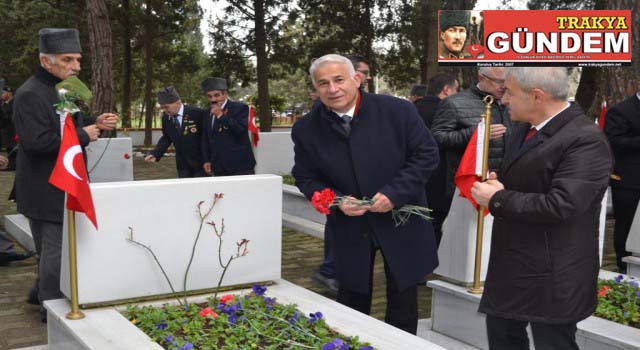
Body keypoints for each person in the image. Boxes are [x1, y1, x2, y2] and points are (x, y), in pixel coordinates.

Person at [292, 54, 439, 334]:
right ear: (314, 88)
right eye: (323, 83)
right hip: (350, 226)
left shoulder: (398, 111)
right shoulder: (306, 128)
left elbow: (426, 154)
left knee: (403, 294)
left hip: (401, 219)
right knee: (352, 294)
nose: (332, 89)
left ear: (356, 79)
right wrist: (336, 200)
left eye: (339, 79)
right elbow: (305, 176)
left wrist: (395, 193)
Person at [471, 67, 612, 350]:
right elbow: (530, 179)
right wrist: (500, 183)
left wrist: (498, 198)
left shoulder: (585, 140)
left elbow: (564, 205)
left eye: (509, 92)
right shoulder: (524, 128)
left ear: (537, 96)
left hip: (553, 271)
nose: (503, 99)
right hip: (514, 264)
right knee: (503, 337)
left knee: (552, 344)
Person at [13, 28, 118, 319]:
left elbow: (68, 129)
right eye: (68, 59)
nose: (77, 66)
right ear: (46, 62)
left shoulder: (63, 89)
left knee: (55, 250)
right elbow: (36, 144)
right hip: (45, 186)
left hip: (66, 182)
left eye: (79, 59)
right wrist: (85, 135)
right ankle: (52, 311)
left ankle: (42, 294)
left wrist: (94, 123)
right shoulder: (29, 94)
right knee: (55, 252)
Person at [431, 67, 511, 214]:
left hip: (505, 185)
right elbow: (438, 138)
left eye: (507, 81)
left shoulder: (511, 101)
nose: (504, 86)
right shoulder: (454, 103)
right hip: (471, 186)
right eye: (499, 81)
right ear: (481, 78)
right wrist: (476, 134)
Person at [415, 74, 458, 247]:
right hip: (438, 176)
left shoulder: (413, 107)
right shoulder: (447, 110)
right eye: (456, 89)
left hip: (414, 176)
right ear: (446, 90)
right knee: (435, 224)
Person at [604, 79, 640, 271]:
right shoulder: (621, 111)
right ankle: (623, 265)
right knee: (626, 224)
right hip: (629, 181)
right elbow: (615, 141)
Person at [145, 86, 206, 178]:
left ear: (178, 102)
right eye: (163, 108)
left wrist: (210, 160)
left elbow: (207, 137)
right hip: (182, 165)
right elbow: (167, 137)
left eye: (166, 107)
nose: (165, 110)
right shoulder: (166, 118)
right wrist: (156, 153)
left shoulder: (197, 113)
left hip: (201, 164)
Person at [200, 77, 256, 176]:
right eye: (210, 96)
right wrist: (207, 160)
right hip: (218, 166)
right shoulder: (207, 112)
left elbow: (240, 130)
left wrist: (221, 115)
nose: (213, 99)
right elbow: (206, 138)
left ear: (225, 94)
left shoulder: (240, 108)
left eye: (217, 95)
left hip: (239, 166)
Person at [1, 86, 17, 170]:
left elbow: (13, 116)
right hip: (6, 130)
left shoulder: (14, 103)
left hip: (13, 131)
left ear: (9, 93)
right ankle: (11, 165)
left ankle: (13, 165)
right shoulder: (3, 103)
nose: (2, 94)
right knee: (8, 148)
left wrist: (4, 116)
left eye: (4, 92)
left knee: (13, 148)